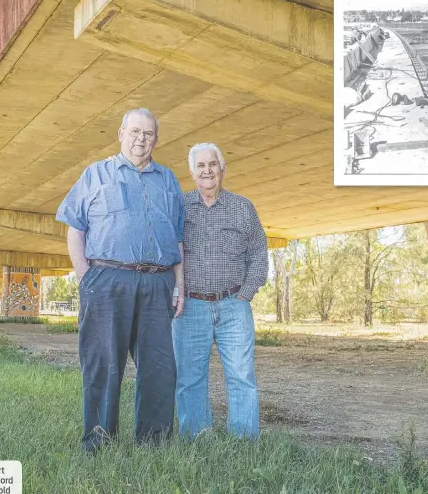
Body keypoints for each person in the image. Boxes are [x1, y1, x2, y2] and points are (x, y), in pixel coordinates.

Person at [56, 107, 185, 452]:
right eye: (135, 131)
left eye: (148, 133)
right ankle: (99, 442)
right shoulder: (95, 175)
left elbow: (179, 239)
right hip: (107, 281)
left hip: (158, 284)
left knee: (160, 368)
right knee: (103, 365)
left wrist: (180, 285)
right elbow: (75, 230)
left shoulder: (169, 180)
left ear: (156, 139)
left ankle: (154, 443)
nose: (141, 138)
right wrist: (87, 279)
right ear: (121, 133)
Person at [172, 143, 269, 440]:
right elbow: (165, 249)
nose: (207, 170)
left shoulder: (243, 207)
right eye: (200, 166)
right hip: (190, 307)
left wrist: (247, 292)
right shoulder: (179, 206)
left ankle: (242, 440)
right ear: (192, 172)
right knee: (189, 379)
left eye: (212, 164)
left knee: (241, 376)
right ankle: (196, 438)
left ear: (222, 168)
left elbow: (259, 252)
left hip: (233, 305)